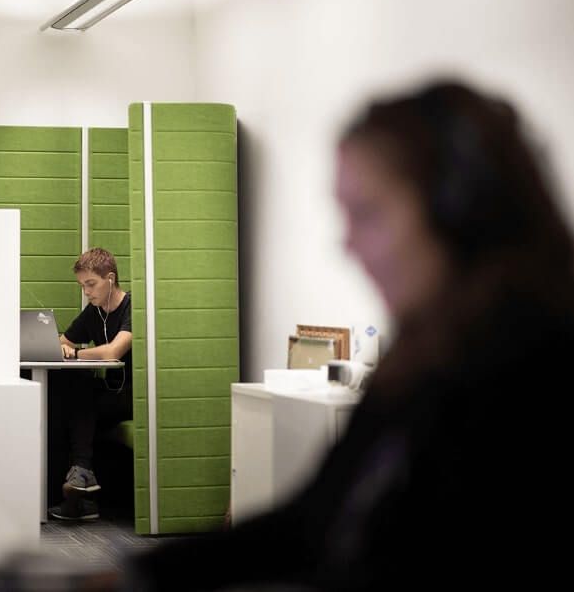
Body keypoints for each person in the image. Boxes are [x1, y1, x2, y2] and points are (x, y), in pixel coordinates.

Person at [119, 80, 574, 589]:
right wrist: (134, 573)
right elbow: (310, 522)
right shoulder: (418, 355)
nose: (348, 244)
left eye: (368, 214)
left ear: (459, 211)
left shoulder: (541, 373)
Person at [48, 248, 133, 521]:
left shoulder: (133, 307)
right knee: (66, 399)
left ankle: (80, 483)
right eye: (82, 286)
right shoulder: (94, 312)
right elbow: (63, 340)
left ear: (110, 278)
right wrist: (64, 347)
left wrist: (77, 353)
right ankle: (78, 488)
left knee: (79, 395)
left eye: (91, 284)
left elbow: (113, 352)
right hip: (109, 393)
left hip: (135, 395)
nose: (86, 292)